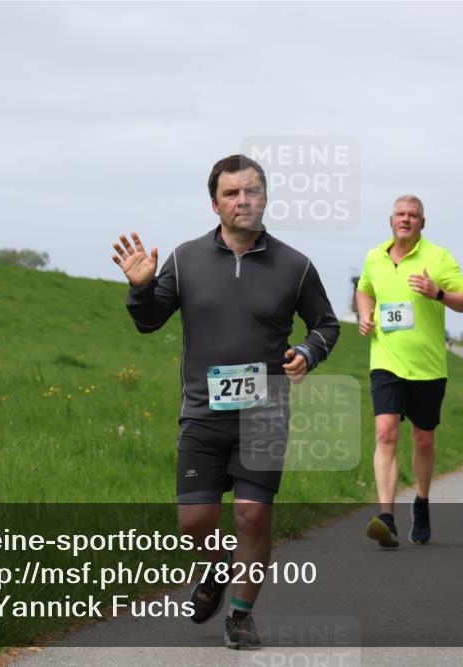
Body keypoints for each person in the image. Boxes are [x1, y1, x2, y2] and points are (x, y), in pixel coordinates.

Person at [113, 154, 340, 649]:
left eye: (251, 191)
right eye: (232, 193)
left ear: (265, 197)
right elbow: (150, 320)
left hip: (265, 414)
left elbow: (326, 324)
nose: (243, 200)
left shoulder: (296, 266)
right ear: (214, 203)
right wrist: (140, 287)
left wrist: (307, 352)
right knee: (194, 523)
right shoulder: (186, 258)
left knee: (253, 516)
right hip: (201, 411)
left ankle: (241, 614)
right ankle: (215, 570)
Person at [356, 194, 463, 548]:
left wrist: (437, 293)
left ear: (423, 223)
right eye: (399, 214)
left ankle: (421, 501)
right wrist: (365, 314)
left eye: (413, 215)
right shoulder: (374, 257)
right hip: (386, 361)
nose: (405, 219)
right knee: (385, 433)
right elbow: (365, 290)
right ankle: (387, 518)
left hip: (427, 367)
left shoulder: (438, 257)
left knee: (423, 439)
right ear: (390, 220)